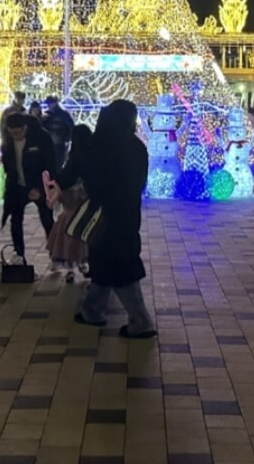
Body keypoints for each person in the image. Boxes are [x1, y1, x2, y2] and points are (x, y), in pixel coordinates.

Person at [69, 100, 155, 338]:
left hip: (103, 215)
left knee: (119, 267)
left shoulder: (99, 146)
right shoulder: (136, 146)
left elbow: (84, 174)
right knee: (107, 263)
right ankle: (91, 310)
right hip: (127, 214)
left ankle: (141, 321)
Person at [1, 113, 57, 260]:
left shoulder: (41, 137)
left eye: (18, 132)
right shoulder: (8, 141)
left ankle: (55, 253)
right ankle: (19, 255)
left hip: (39, 184)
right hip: (18, 186)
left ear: (25, 127)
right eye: (12, 133)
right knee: (15, 220)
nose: (16, 136)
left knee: (47, 219)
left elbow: (50, 165)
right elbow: (8, 165)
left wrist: (39, 188)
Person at [46, 124, 92, 283]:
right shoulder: (91, 163)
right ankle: (84, 265)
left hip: (67, 215)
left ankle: (71, 270)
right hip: (86, 214)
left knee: (68, 243)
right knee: (83, 243)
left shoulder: (69, 168)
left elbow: (57, 191)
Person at [42, 95, 75, 168]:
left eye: (50, 103)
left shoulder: (62, 114)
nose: (49, 105)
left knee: (57, 163)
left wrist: (67, 138)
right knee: (55, 164)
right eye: (48, 103)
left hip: (58, 143)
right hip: (53, 143)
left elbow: (71, 127)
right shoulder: (47, 114)